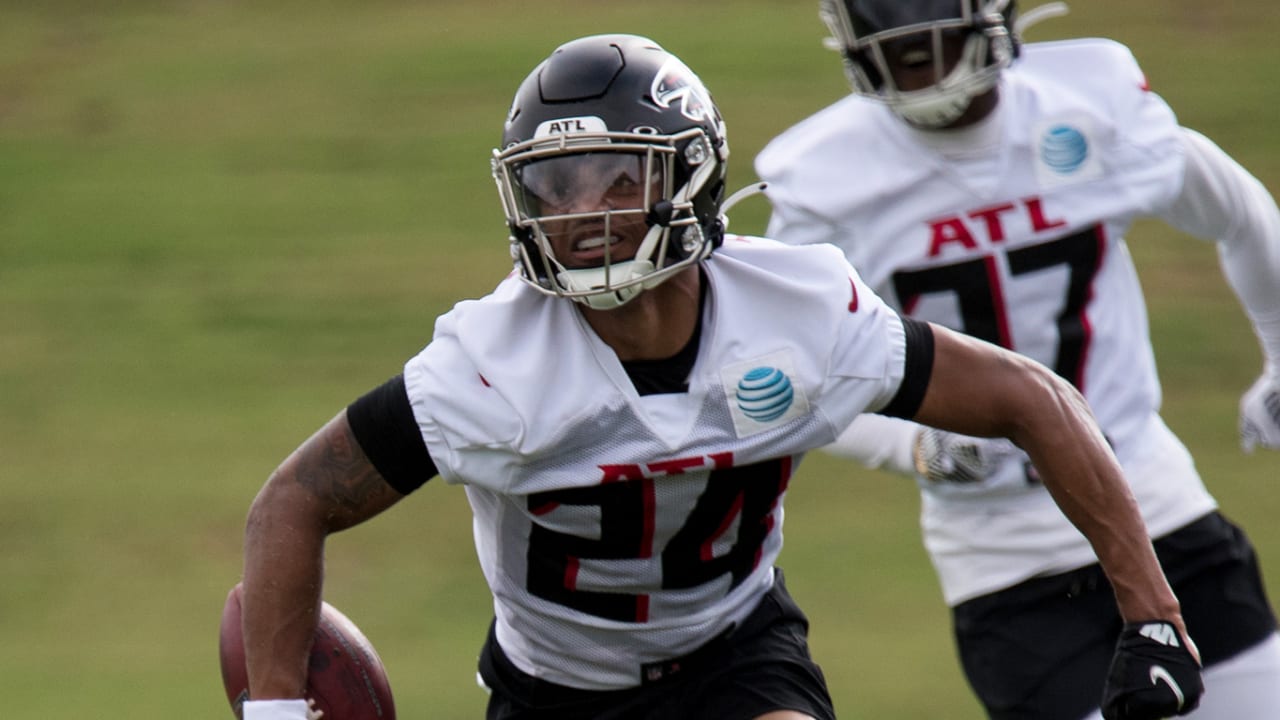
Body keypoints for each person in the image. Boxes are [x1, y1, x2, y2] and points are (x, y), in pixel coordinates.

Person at [238, 33, 1202, 720]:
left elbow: (1033, 400)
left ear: (690, 182)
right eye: (554, 187)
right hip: (554, 693)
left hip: (736, 656)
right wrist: (275, 713)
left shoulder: (800, 311)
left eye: (620, 179)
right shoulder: (489, 365)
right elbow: (294, 501)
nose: (584, 215)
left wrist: (1152, 618)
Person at [754, 1, 1280, 718]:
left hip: (1159, 510)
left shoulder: (1085, 105)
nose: (921, 64)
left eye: (934, 44)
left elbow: (1239, 210)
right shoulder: (829, 177)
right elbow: (793, 379)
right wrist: (910, 445)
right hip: (1004, 560)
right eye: (904, 50)